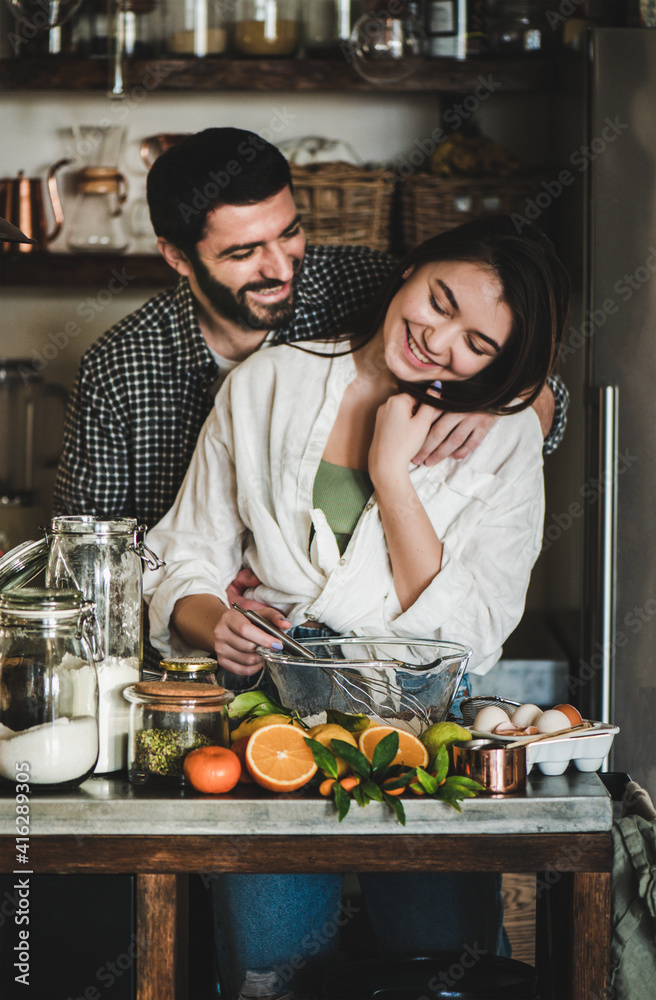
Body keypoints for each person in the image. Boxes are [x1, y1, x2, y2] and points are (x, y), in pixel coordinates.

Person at [143, 216, 571, 999]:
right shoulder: (269, 382)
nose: (440, 343)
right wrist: (217, 622)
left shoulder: (505, 437)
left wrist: (392, 473)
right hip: (269, 717)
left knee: (441, 969)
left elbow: (469, 637)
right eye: (439, 301)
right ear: (412, 266)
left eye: (478, 345)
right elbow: (183, 552)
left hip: (427, 732)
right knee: (269, 976)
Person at [53, 127, 568, 537]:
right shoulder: (119, 366)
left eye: (289, 232)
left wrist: (503, 395)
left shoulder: (366, 284)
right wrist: (196, 594)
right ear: (177, 257)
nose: (280, 267)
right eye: (244, 251)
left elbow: (550, 406)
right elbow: (81, 547)